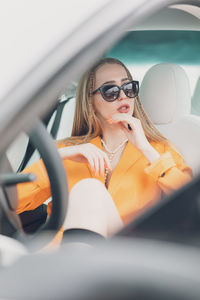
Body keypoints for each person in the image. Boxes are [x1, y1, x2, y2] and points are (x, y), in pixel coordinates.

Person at [16, 57, 192, 245]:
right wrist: (57, 158)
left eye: (128, 88)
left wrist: (146, 149)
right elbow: (10, 204)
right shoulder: (69, 150)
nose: (123, 96)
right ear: (90, 102)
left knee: (89, 189)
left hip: (122, 256)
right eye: (110, 91)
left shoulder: (160, 152)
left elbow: (191, 208)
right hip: (61, 258)